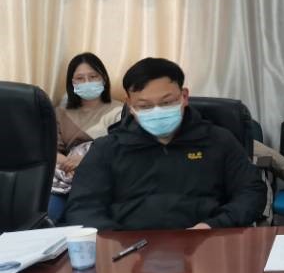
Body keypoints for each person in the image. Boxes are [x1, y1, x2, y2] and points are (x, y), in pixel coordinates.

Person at [63, 57, 266, 230]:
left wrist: (215, 225)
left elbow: (251, 192)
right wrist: (119, 242)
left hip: (205, 244)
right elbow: (83, 208)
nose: (157, 111)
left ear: (184, 97)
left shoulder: (218, 140)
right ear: (130, 105)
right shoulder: (107, 149)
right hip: (129, 251)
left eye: (167, 102)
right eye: (145, 106)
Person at [49, 53, 124, 221]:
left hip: (102, 179)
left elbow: (120, 151)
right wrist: (70, 163)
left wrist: (85, 161)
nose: (87, 82)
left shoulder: (119, 111)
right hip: (66, 177)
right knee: (48, 214)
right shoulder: (60, 113)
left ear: (104, 78)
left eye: (93, 76)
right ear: (72, 83)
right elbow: (51, 151)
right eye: (80, 78)